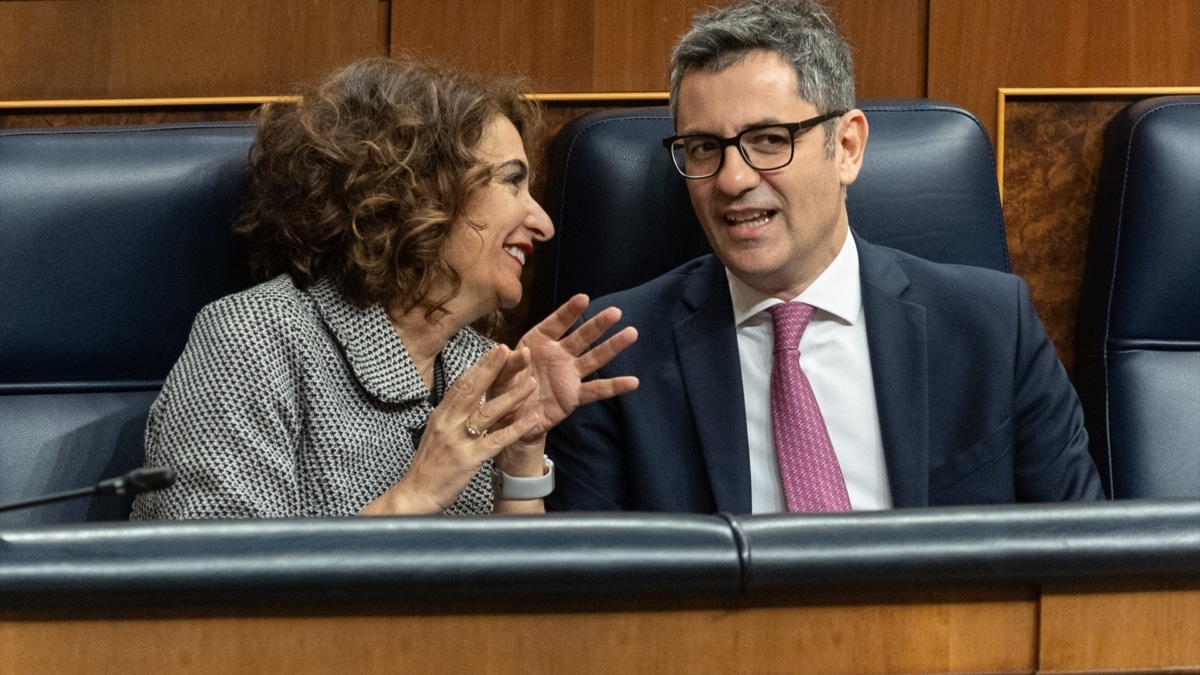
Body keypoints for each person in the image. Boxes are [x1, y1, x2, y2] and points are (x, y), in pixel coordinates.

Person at [544, 0, 1103, 514]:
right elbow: (588, 601)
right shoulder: (616, 352)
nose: (733, 179)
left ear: (848, 148)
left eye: (769, 139)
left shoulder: (991, 327)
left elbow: (1085, 559)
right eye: (704, 148)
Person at [131, 57, 637, 519]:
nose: (544, 223)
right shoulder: (254, 338)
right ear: (417, 191)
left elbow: (526, 611)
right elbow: (212, 591)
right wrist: (413, 497)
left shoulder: (478, 367)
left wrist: (521, 456)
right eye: (511, 182)